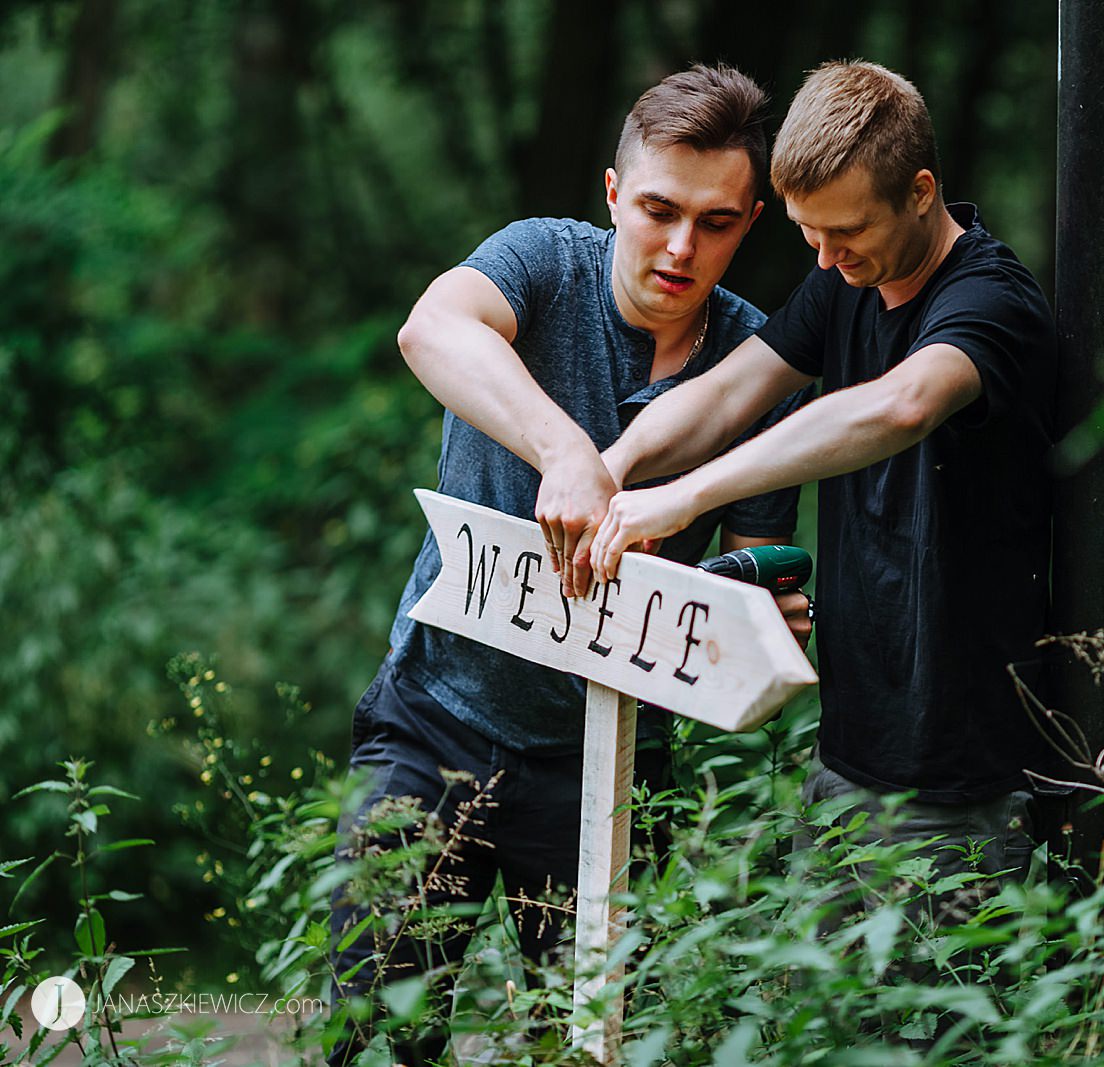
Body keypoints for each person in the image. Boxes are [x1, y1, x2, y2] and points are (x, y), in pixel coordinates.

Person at [328, 64, 812, 1064]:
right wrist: (567, 455)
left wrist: (761, 610)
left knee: (593, 1047)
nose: (682, 247)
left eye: (716, 222)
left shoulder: (756, 358)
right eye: (658, 210)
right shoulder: (541, 260)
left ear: (752, 219)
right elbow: (431, 328)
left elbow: (750, 561)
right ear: (611, 195)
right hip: (432, 720)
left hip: (613, 763)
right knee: (373, 1033)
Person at [584, 61, 1059, 903]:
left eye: (847, 233)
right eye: (809, 235)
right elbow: (728, 392)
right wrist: (614, 470)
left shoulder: (990, 298)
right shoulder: (843, 280)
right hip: (846, 754)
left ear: (920, 191)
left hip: (964, 778)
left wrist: (688, 494)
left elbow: (901, 405)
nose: (829, 259)